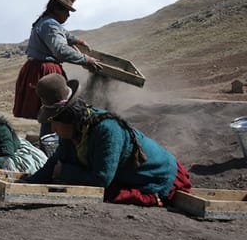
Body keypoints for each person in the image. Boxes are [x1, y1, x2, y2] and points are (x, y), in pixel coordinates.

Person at [25, 73, 192, 207]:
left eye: (55, 122)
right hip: (123, 176)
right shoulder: (72, 133)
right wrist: (28, 183)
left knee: (108, 193)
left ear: (69, 118)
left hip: (158, 176)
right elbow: (55, 162)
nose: (53, 129)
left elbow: (101, 180)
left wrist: (65, 172)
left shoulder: (107, 130)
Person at [13, 0, 102, 142]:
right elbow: (60, 50)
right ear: (57, 9)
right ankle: (51, 145)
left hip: (36, 68)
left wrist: (77, 40)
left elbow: (63, 34)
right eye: (66, 11)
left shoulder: (45, 21)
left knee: (52, 111)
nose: (68, 15)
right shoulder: (50, 25)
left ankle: (49, 142)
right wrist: (86, 60)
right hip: (46, 71)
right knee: (54, 110)